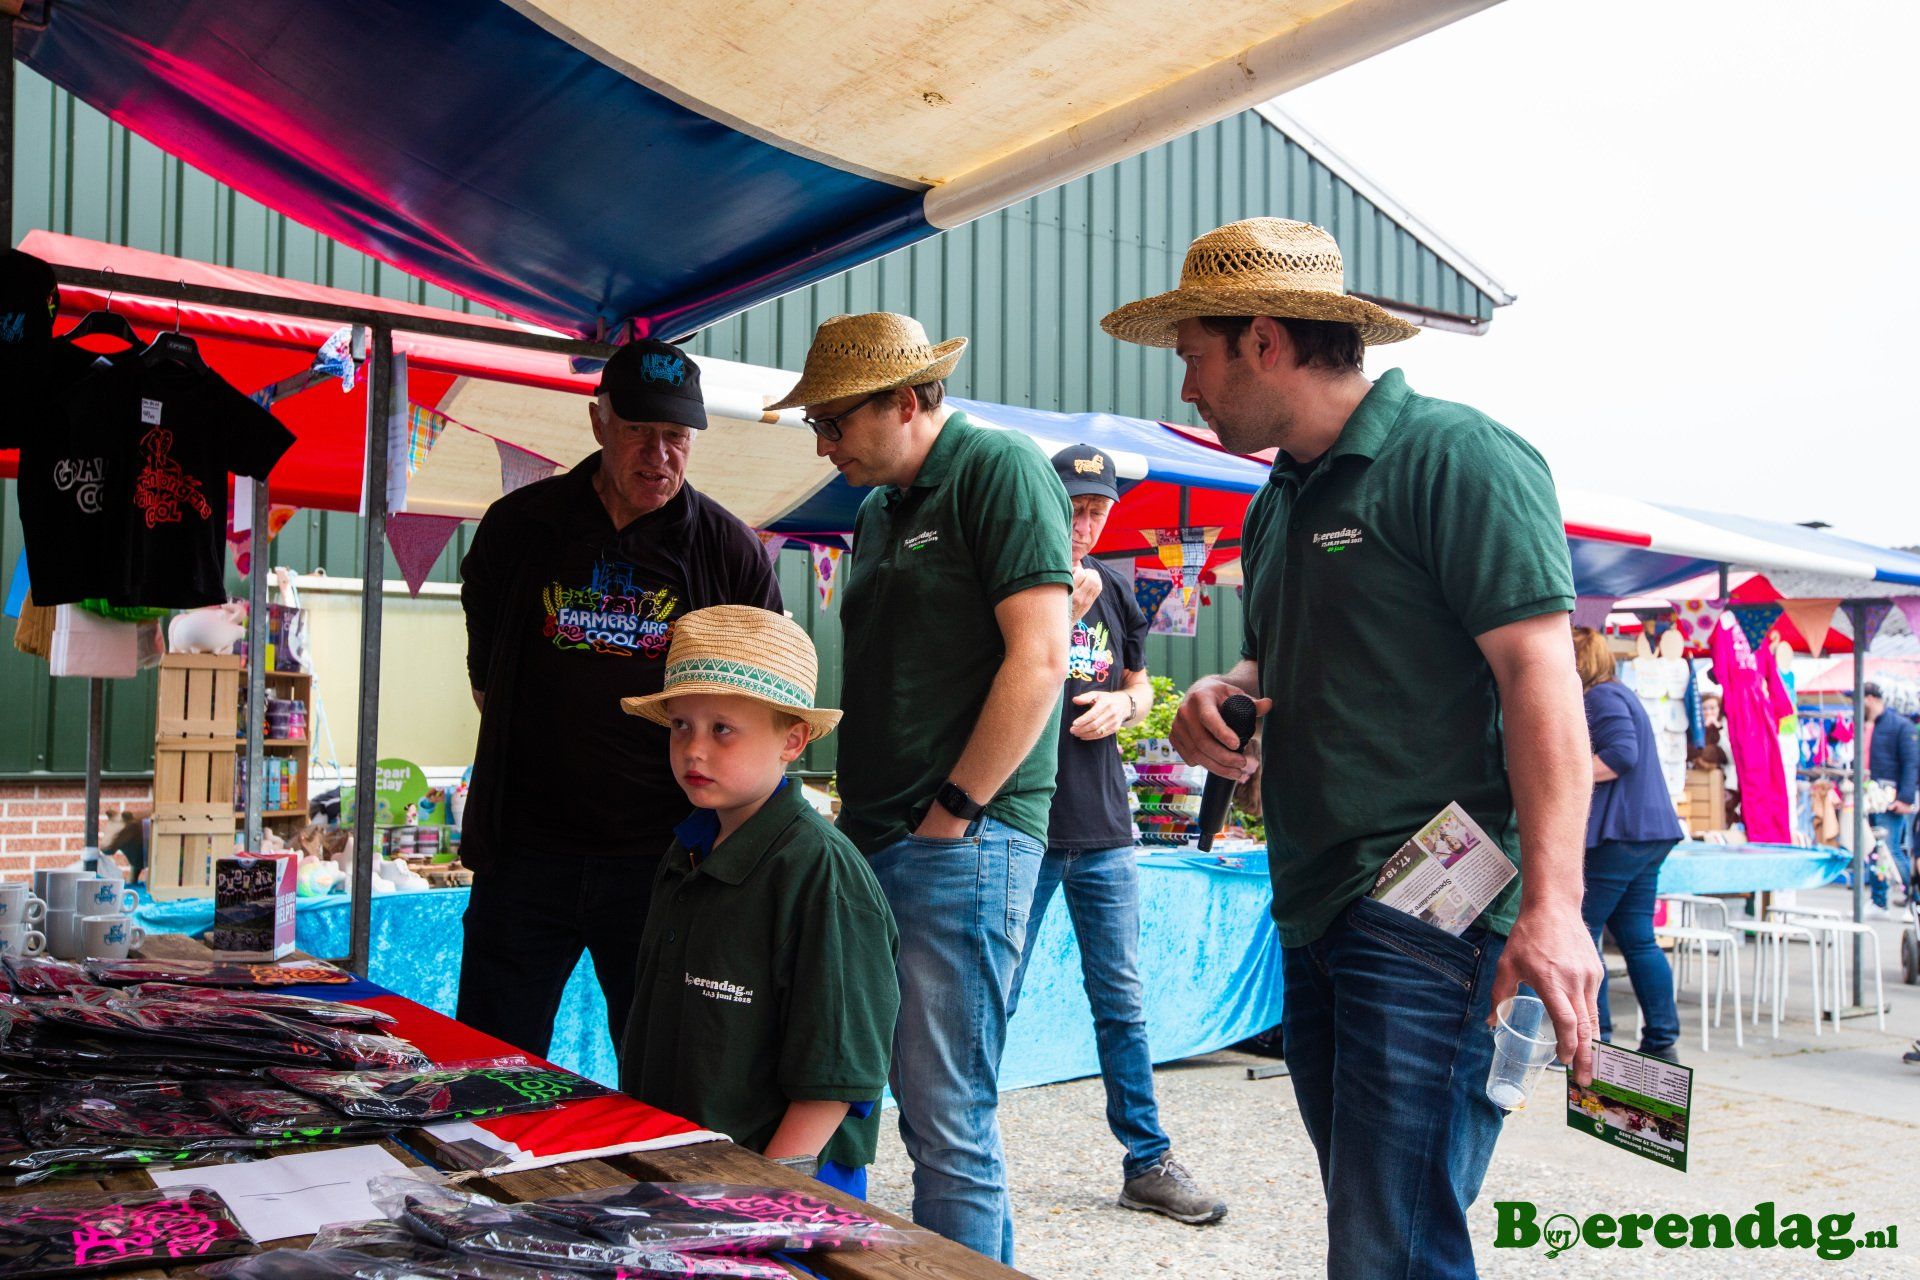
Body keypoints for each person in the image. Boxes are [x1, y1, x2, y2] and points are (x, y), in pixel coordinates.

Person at [1112, 217, 1601, 1279]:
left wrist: (1556, 907)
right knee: (1384, 1229)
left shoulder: (1457, 455)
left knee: (1390, 1244)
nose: (1187, 389)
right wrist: (1220, 693)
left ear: (1264, 340)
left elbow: (1541, 676)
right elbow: (1271, 666)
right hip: (1317, 899)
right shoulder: (1280, 498)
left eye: (1194, 356)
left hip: (1435, 902)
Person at [768, 312, 1071, 1263]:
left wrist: (956, 813)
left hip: (960, 840)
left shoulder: (998, 468)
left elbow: (1042, 658)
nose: (823, 444)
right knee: (899, 1099)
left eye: (833, 421)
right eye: (815, 424)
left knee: (947, 1119)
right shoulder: (877, 510)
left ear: (905, 401)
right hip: (882, 834)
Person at [457, 338, 781, 1060]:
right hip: (525, 852)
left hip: (664, 861)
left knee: (665, 1070)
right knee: (489, 1062)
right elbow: (487, 679)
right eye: (639, 431)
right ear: (599, 420)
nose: (659, 455)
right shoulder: (520, 528)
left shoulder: (728, 551)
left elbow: (763, 706)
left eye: (677, 436)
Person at [1006, 444, 1227, 1225]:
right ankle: (960, 1153)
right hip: (1022, 823)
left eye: (1098, 511)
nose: (1086, 525)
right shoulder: (1014, 579)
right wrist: (1061, 613)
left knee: (1122, 1002)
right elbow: (992, 680)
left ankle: (1147, 1161)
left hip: (1103, 826)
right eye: (1075, 509)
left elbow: (1137, 688)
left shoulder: (1120, 588)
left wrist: (1125, 707)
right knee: (992, 994)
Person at [618, 605, 899, 1199]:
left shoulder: (821, 873)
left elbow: (836, 1077)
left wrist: (760, 1197)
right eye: (680, 725)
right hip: (680, 1166)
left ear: (793, 740)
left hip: (781, 1191)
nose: (694, 750)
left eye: (722, 729)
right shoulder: (687, 848)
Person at [1574, 626, 1685, 1062]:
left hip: (1621, 834)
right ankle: (1661, 1040)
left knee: (1583, 932)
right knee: (1638, 938)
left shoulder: (1601, 697)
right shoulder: (1619, 694)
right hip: (1647, 832)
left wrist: (1565, 772)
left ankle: (1594, 1039)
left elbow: (1622, 754)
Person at [1864, 682, 1916, 912]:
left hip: (1889, 798)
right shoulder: (1866, 724)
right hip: (1868, 797)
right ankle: (1879, 900)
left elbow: (1911, 764)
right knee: (1876, 851)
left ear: (1870, 698)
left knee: (1891, 851)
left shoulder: (1900, 726)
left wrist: (1905, 798)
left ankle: (1914, 899)